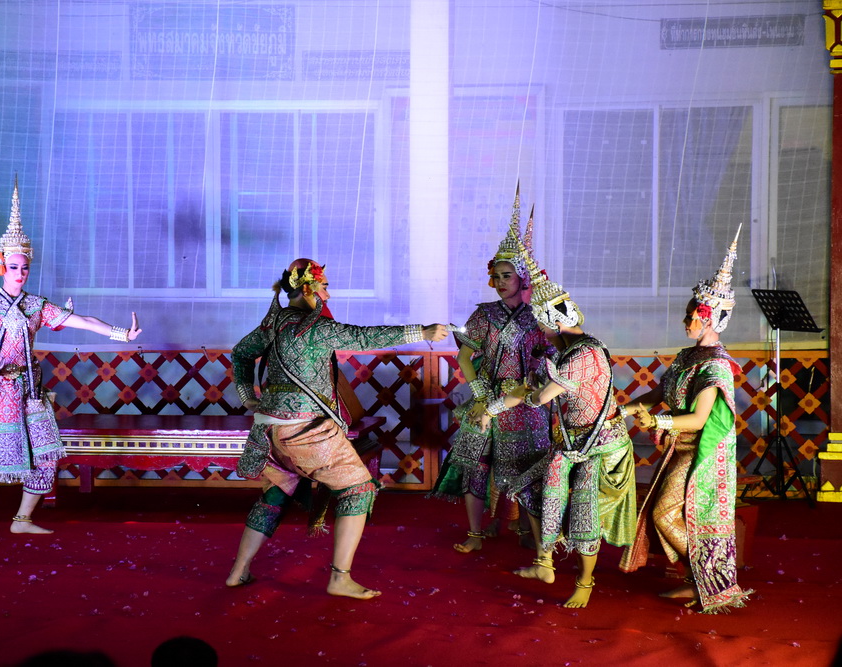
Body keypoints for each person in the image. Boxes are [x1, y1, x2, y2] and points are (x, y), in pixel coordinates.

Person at [226, 258, 448, 599]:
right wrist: (422, 331)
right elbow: (364, 337)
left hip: (268, 430)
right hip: (306, 430)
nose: (328, 294)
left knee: (277, 493)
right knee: (359, 489)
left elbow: (241, 353)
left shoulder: (273, 323)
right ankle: (339, 578)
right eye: (324, 286)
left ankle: (238, 571)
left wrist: (247, 397)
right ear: (307, 288)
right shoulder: (314, 327)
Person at [0, 180, 142, 536]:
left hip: (27, 389)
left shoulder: (36, 305)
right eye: (14, 267)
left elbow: (83, 321)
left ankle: (23, 519)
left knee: (46, 452)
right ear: (1, 265)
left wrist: (121, 334)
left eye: (25, 268)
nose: (20, 274)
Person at [619, 228, 752, 612]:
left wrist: (657, 423)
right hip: (680, 446)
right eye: (689, 314)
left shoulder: (716, 366)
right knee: (665, 513)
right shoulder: (686, 357)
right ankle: (700, 582)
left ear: (712, 322)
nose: (687, 321)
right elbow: (659, 393)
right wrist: (622, 410)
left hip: (701, 452)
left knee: (664, 514)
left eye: (694, 316)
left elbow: (697, 419)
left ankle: (712, 582)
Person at [499, 240, 636, 609]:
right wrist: (494, 407)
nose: (540, 330)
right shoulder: (562, 351)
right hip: (571, 443)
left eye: (541, 324)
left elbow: (541, 396)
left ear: (555, 321)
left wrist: (524, 395)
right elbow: (532, 385)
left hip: (600, 446)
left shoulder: (584, 354)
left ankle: (585, 581)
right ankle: (544, 562)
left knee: (583, 511)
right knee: (527, 486)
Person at [431, 193, 551, 554]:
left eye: (506, 275)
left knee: (526, 470)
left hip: (525, 402)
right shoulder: (484, 314)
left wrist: (532, 387)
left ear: (523, 276)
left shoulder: (539, 317)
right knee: (475, 468)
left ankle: (528, 530)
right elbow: (464, 356)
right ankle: (475, 533)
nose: (500, 281)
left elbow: (547, 361)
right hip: (485, 398)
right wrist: (482, 395)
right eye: (495, 276)